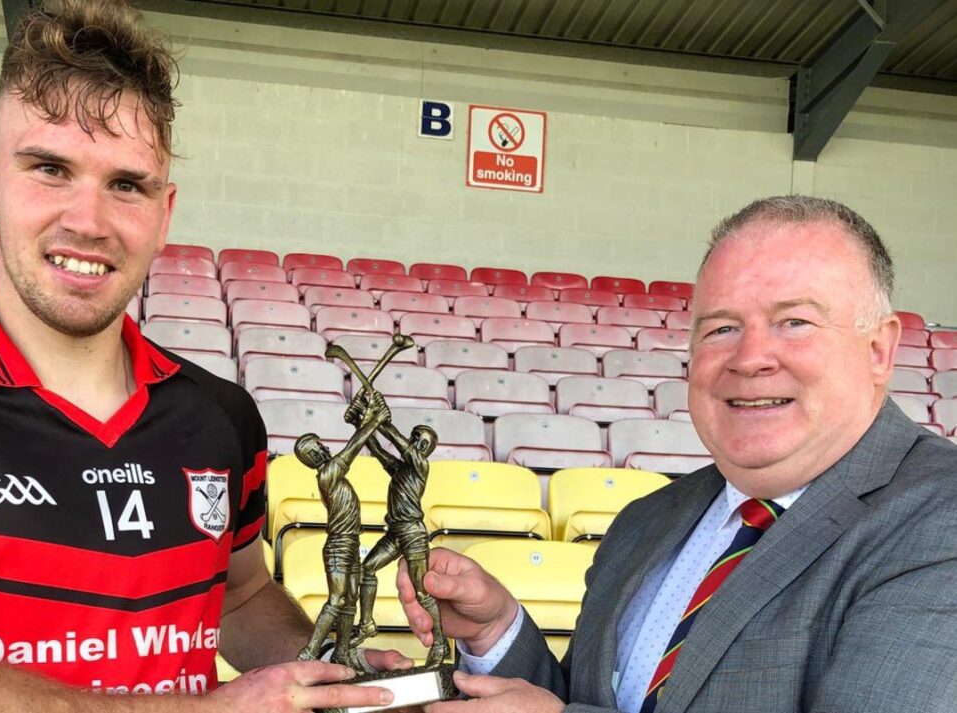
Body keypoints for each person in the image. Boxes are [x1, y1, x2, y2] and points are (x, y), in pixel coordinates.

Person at [0, 1, 401, 710]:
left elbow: (240, 594)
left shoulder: (221, 416)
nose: (88, 222)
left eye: (126, 184)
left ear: (165, 212)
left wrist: (336, 668)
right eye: (50, 168)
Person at [398, 195, 957, 712]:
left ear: (880, 349)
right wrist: (497, 630)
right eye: (721, 328)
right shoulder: (647, 520)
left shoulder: (940, 518)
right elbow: (589, 702)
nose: (750, 357)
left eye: (794, 322)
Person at [347, 397, 448, 669]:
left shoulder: (419, 465)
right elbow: (379, 451)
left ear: (426, 448)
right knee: (367, 568)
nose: (415, 441)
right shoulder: (402, 468)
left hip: (413, 533)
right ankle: (366, 623)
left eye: (419, 439)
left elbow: (402, 446)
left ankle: (440, 643)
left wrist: (383, 421)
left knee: (423, 591)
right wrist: (363, 424)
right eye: (415, 437)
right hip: (395, 532)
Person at [293, 390, 391, 670]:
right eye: (314, 449)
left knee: (349, 602)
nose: (321, 449)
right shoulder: (327, 473)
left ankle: (344, 652)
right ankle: (310, 651)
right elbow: (352, 449)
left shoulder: (331, 472)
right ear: (309, 458)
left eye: (320, 445)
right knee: (337, 600)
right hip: (337, 545)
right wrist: (372, 421)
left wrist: (366, 418)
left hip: (349, 542)